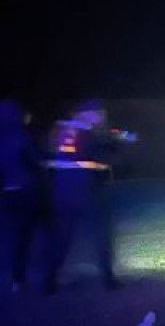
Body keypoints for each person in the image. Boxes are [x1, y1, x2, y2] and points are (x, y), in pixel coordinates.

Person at [43, 98, 137, 293]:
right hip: (88, 191)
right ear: (84, 114)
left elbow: (51, 156)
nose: (101, 118)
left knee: (61, 237)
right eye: (98, 113)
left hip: (62, 191)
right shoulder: (88, 135)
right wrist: (123, 145)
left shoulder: (60, 131)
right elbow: (106, 158)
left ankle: (49, 281)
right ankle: (109, 280)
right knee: (102, 235)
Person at [0, 99, 44, 294]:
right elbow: (35, 160)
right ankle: (32, 276)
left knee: (14, 236)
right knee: (29, 235)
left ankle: (18, 279)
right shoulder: (21, 137)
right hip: (26, 191)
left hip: (8, 192)